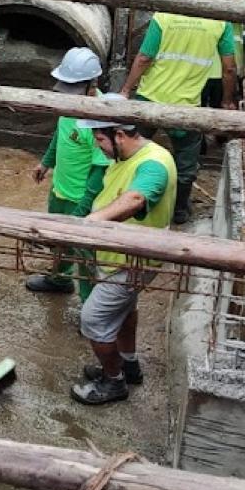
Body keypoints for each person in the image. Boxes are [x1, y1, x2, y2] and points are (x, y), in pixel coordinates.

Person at [70, 94, 176, 406]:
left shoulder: (153, 164)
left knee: (93, 320)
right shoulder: (127, 158)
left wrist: (92, 221)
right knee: (125, 311)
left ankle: (113, 381)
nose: (99, 147)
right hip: (123, 257)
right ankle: (128, 365)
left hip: (130, 263)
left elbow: (135, 200)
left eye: (100, 139)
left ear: (120, 135)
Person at [118, 0, 236, 225]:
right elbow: (229, 67)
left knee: (129, 149)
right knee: (185, 165)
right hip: (186, 107)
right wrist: (227, 101)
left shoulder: (165, 16)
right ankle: (179, 211)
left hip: (150, 99)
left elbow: (144, 57)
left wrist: (126, 89)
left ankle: (122, 198)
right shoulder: (220, 19)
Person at [28, 47, 109, 299]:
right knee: (59, 242)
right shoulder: (68, 105)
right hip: (60, 190)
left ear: (92, 85)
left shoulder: (101, 117)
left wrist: (84, 207)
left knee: (84, 253)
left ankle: (89, 305)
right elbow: (60, 135)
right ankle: (59, 279)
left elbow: (100, 169)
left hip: (82, 197)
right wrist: (46, 162)